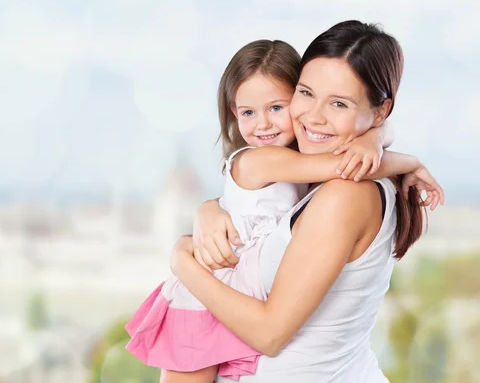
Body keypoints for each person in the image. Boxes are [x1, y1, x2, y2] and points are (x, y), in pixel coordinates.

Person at [131, 31, 443, 382]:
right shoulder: (303, 176)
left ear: (380, 110)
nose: (314, 116)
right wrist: (210, 208)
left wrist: (182, 262)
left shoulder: (347, 193)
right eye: (307, 94)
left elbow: (270, 333)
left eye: (339, 103)